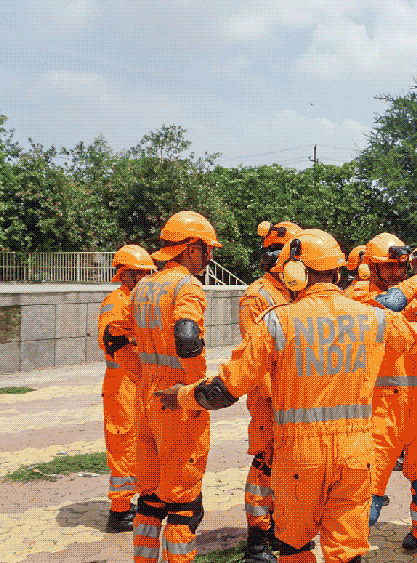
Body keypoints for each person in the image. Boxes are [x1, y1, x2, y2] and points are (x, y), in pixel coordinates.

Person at [155, 229, 417, 563]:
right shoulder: (374, 317)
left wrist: (183, 396)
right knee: (347, 552)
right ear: (337, 272)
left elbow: (224, 391)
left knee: (295, 547)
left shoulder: (277, 322)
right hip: (355, 454)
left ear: (294, 273)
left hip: (299, 458)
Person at [108, 210, 221, 563]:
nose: (209, 257)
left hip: (146, 403)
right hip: (179, 406)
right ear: (190, 250)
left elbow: (115, 334)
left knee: (152, 497)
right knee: (185, 505)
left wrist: (139, 371)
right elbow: (187, 338)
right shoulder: (186, 285)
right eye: (206, 250)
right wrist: (195, 386)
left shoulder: (142, 286)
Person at [345, 233, 417, 563]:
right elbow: (387, 308)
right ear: (371, 268)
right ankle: (351, 554)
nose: (397, 271)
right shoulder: (360, 297)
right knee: (368, 496)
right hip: (378, 410)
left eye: (400, 266)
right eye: (389, 267)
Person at [240, 220, 301, 563]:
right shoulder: (258, 295)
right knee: (264, 463)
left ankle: (277, 527)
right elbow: (256, 355)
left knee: (284, 463)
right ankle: (257, 541)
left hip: (289, 396)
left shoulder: (289, 290)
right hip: (269, 398)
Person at [98, 244, 156, 533]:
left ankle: (133, 502)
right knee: (123, 446)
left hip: (132, 382)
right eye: (141, 274)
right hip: (122, 383)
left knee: (138, 445)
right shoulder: (117, 301)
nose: (145, 279)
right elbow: (113, 341)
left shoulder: (131, 300)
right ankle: (119, 512)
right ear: (126, 274)